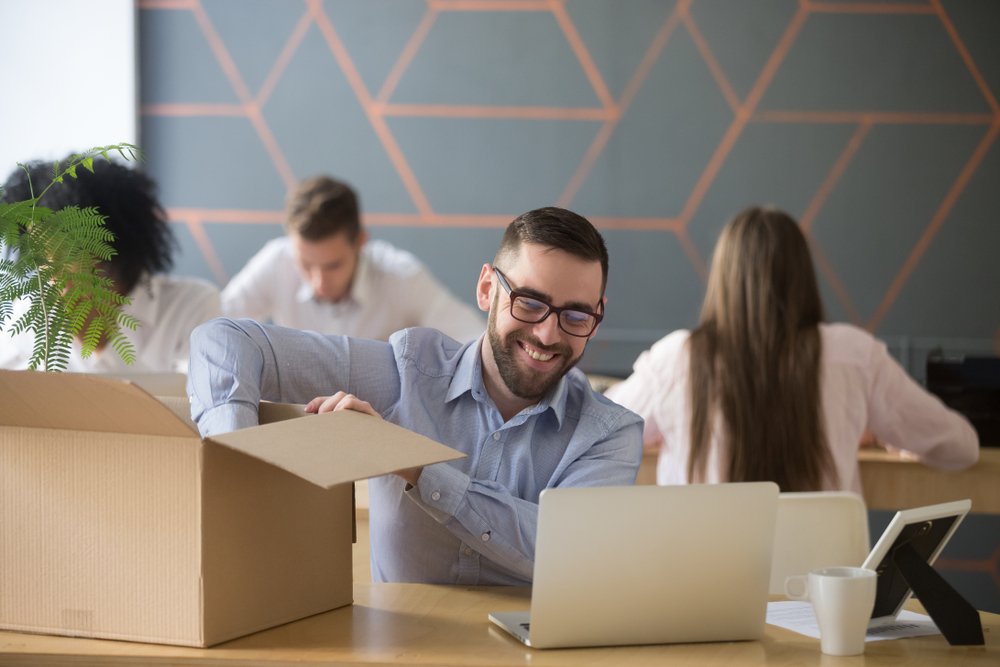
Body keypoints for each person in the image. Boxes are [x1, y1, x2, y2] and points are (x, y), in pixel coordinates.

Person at [188, 206, 643, 585]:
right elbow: (223, 340)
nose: (547, 334)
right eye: (528, 302)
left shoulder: (609, 435)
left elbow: (570, 551)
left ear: (597, 316)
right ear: (488, 289)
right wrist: (234, 469)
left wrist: (411, 462)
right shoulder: (406, 372)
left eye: (577, 316)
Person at [606, 205, 978, 493]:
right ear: (802, 276)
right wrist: (880, 430)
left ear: (723, 278)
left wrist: (663, 427)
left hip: (704, 590)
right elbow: (961, 447)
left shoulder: (677, 359)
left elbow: (598, 433)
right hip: (824, 589)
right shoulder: (855, 356)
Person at [0, 157, 221, 373]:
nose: (44, 268)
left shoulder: (191, 307)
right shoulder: (22, 318)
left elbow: (198, 400)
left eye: (60, 249)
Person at [221, 175, 484, 341]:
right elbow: (215, 329)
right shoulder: (276, 261)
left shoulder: (400, 276)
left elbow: (474, 339)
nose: (318, 282)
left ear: (360, 242)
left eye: (333, 265)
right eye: (306, 264)